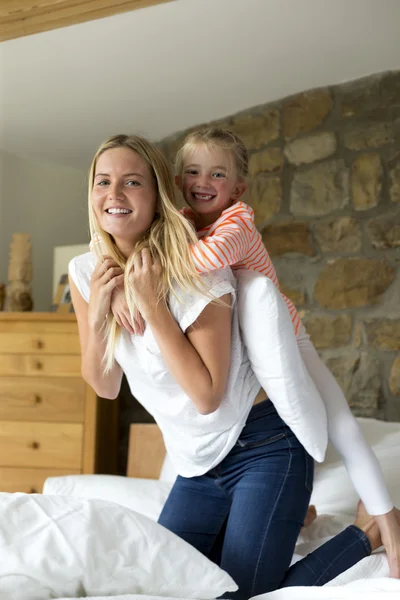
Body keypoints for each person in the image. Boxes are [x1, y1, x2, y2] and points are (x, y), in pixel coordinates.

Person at [71, 133, 394, 599]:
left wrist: (154, 308)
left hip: (264, 446)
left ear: (160, 194)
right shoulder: (88, 273)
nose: (114, 194)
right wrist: (100, 310)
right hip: (196, 461)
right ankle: (282, 516)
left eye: (132, 182)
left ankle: (368, 533)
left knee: (239, 595)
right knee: (166, 587)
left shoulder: (201, 270)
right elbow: (102, 385)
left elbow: (207, 395)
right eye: (103, 181)